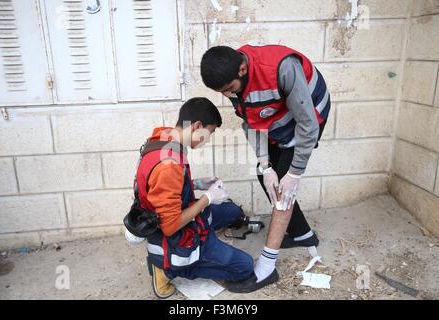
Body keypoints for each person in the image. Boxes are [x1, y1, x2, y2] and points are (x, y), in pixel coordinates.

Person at [200, 45, 331, 292]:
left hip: (310, 116)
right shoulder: (234, 80)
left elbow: (307, 125)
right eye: (223, 93)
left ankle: (267, 268)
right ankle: (302, 234)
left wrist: (294, 173)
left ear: (242, 68)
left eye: (230, 89)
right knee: (267, 176)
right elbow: (252, 123)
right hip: (282, 118)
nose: (228, 95)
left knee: (283, 188)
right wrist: (265, 163)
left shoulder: (281, 68)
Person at [135, 97, 254, 298]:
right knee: (245, 267)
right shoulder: (169, 166)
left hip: (171, 213)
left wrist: (198, 184)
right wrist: (207, 198)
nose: (208, 139)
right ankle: (169, 270)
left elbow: (161, 187)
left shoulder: (162, 138)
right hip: (174, 235)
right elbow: (170, 226)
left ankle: (202, 243)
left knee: (232, 212)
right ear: (198, 126)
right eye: (210, 132)